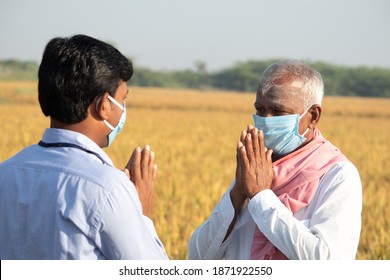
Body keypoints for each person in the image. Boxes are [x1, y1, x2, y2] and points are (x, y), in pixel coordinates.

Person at [0, 34, 168, 260]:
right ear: (103, 105)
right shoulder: (107, 188)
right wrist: (141, 214)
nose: (124, 109)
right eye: (123, 99)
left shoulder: (6, 172)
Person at [188, 60, 362, 260]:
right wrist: (238, 194)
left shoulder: (337, 175)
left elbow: (325, 261)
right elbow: (198, 256)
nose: (266, 120)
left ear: (313, 116)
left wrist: (261, 196)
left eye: (278, 111)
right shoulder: (257, 165)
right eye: (260, 109)